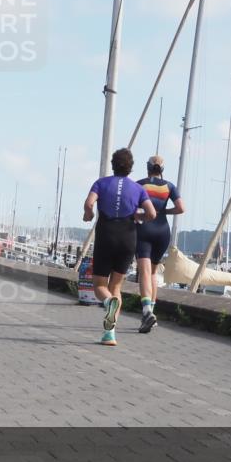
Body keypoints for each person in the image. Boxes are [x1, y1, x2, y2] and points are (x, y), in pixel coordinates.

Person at [83, 148, 157, 346]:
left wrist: (88, 215)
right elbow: (151, 213)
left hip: (106, 235)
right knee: (115, 287)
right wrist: (138, 216)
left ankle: (107, 304)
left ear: (113, 164)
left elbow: (89, 204)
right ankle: (109, 334)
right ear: (130, 167)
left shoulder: (101, 183)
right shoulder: (138, 189)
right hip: (128, 238)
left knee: (100, 286)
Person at [135, 155, 185, 333]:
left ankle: (147, 311)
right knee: (154, 273)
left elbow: (131, 207)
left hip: (144, 230)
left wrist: (139, 216)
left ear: (147, 167)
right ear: (162, 169)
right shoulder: (170, 186)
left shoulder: (139, 184)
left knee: (145, 273)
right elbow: (181, 208)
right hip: (163, 231)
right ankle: (152, 315)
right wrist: (164, 210)